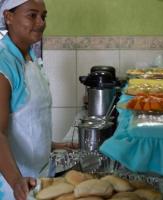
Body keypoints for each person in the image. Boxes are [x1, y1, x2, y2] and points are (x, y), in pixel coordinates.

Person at [0, 1, 76, 199]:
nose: (41, 22)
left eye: (44, 16)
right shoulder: (3, 64)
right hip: (12, 185)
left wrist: (52, 145)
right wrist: (16, 181)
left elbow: (27, 119)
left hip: (39, 177)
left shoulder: (30, 58)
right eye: (32, 15)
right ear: (8, 17)